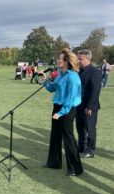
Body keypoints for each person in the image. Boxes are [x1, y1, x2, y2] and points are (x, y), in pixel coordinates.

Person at [44, 48, 83, 176]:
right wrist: (45, 80)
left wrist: (61, 113)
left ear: (66, 61)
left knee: (68, 137)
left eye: (59, 59)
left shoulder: (73, 77)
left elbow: (70, 99)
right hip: (57, 106)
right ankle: (54, 163)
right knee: (55, 135)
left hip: (67, 109)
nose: (57, 60)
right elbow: (52, 88)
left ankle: (75, 168)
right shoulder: (60, 74)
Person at [76, 50, 103, 158]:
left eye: (80, 59)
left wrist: (90, 106)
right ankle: (81, 147)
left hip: (89, 106)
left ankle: (90, 150)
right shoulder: (79, 71)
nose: (78, 61)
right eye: (78, 58)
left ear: (88, 59)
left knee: (90, 128)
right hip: (79, 105)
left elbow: (95, 90)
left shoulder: (95, 72)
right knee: (80, 128)